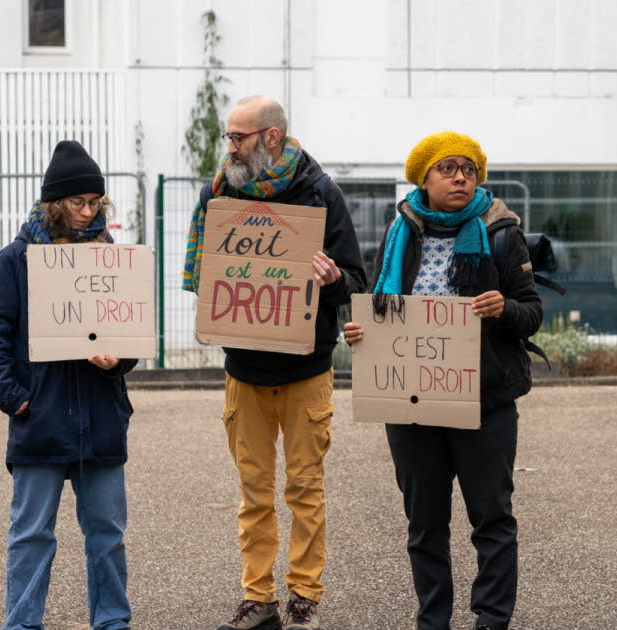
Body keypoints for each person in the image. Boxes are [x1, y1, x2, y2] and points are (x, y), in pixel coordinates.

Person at [342, 130, 541, 630]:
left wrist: (505, 307)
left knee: (491, 519)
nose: (460, 177)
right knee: (424, 524)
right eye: (447, 169)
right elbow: (387, 308)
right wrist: (362, 332)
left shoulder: (500, 231)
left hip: (484, 401)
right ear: (423, 178)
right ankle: (433, 621)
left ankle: (491, 620)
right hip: (410, 401)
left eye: (468, 169)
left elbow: (533, 311)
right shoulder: (399, 232)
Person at [181, 95, 366, 630]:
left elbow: (358, 282)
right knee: (253, 493)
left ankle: (304, 592)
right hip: (244, 371)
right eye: (228, 138)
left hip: (307, 369)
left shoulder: (320, 193)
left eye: (238, 137)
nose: (230, 148)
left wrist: (332, 281)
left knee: (304, 488)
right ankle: (257, 599)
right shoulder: (219, 195)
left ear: (272, 138)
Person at [0, 140, 137, 630]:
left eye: (95, 202)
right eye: (78, 202)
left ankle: (112, 622)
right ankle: (22, 624)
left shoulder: (110, 259)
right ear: (55, 203)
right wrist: (14, 398)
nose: (88, 212)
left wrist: (117, 362)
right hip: (39, 418)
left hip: (101, 418)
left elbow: (127, 335)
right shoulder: (16, 259)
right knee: (30, 534)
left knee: (107, 534)